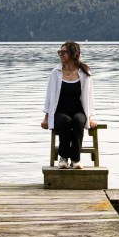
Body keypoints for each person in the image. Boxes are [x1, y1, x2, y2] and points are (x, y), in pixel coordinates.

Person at [42, 40, 97, 168]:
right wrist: (46, 118)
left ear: (73, 54)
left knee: (78, 121)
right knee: (65, 121)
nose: (60, 54)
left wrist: (90, 117)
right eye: (59, 52)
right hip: (60, 111)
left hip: (79, 111)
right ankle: (64, 158)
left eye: (63, 52)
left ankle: (76, 160)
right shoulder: (55, 73)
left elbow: (89, 97)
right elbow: (49, 97)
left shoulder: (84, 73)